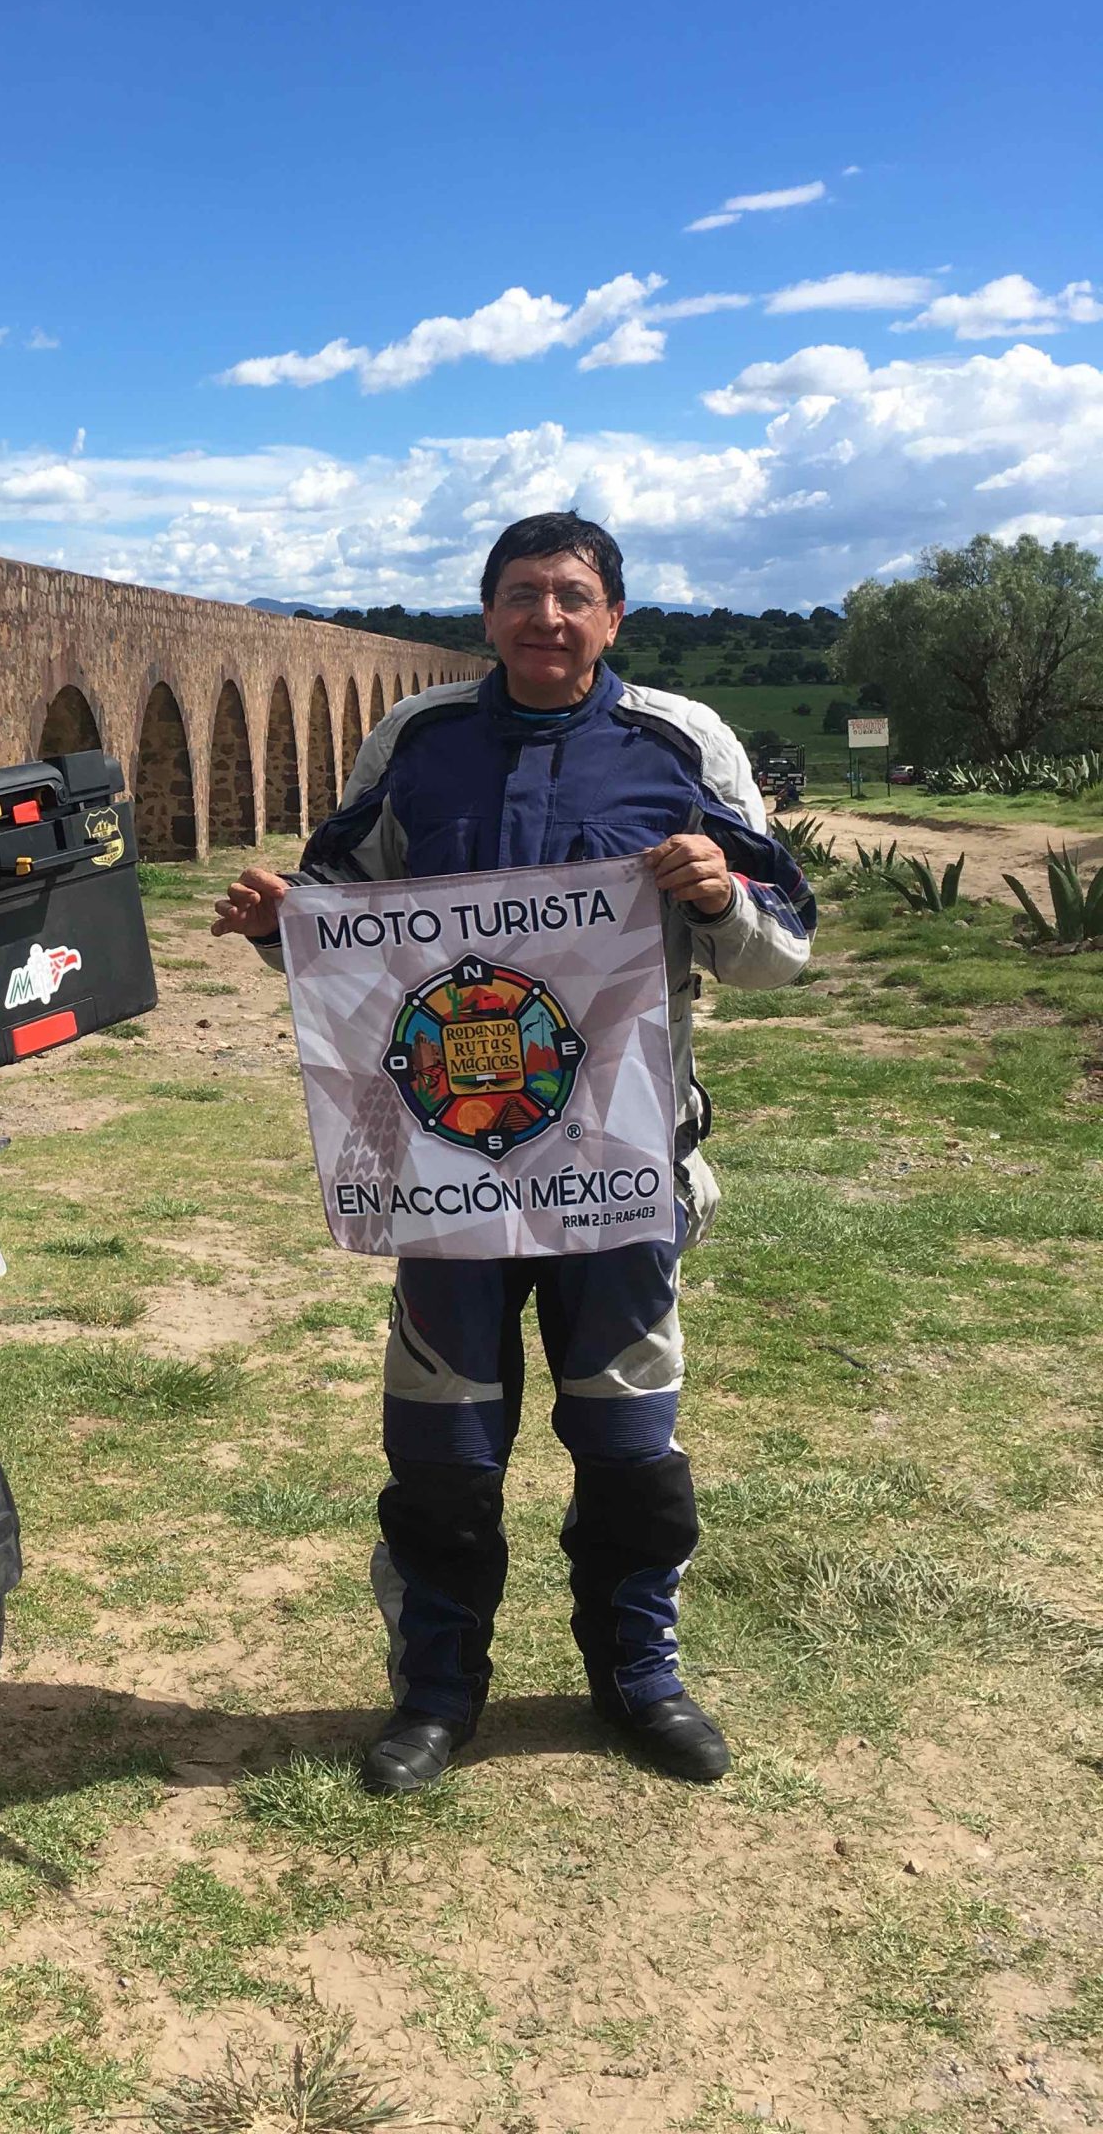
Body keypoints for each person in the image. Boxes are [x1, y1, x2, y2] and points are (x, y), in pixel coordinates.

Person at [213, 513, 815, 1794]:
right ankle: (436, 1690)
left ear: (614, 616)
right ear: (486, 613)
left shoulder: (680, 742)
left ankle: (638, 1673)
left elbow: (783, 943)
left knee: (631, 1441)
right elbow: (345, 924)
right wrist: (284, 926)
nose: (548, 617)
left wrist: (719, 896)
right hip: (451, 1175)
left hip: (618, 1164)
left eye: (574, 596)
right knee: (442, 1445)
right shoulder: (418, 742)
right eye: (523, 594)